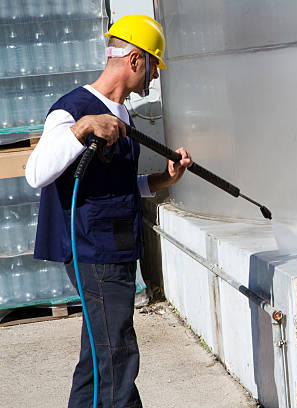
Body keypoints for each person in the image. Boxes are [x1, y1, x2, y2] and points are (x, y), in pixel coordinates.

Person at [25, 15, 191, 408]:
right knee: (117, 353)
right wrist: (81, 128)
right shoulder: (72, 110)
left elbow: (115, 189)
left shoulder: (122, 115)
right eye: (152, 67)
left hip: (115, 249)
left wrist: (161, 181)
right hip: (91, 252)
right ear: (135, 60)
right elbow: (36, 173)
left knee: (98, 355)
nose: (152, 79)